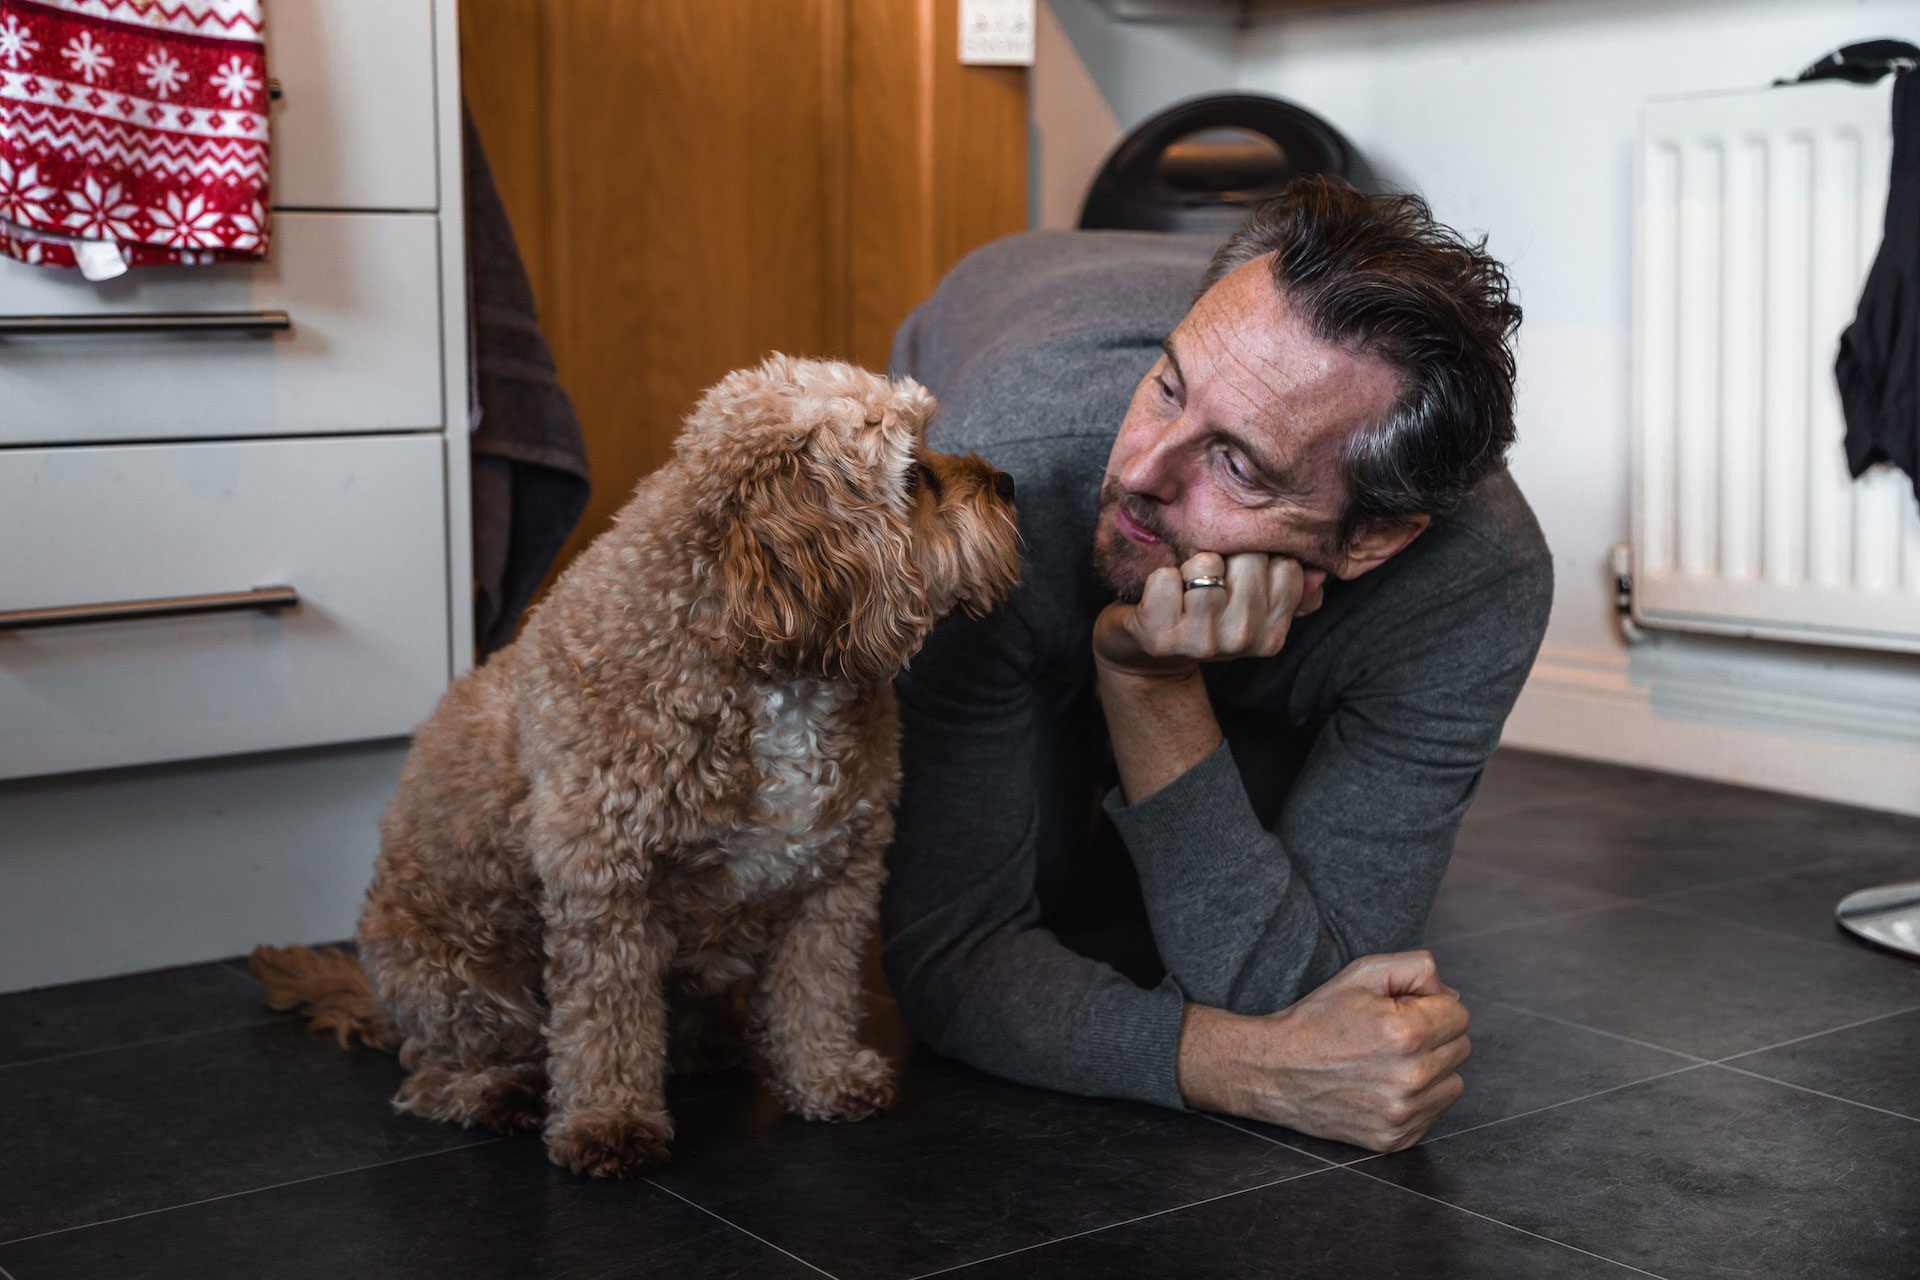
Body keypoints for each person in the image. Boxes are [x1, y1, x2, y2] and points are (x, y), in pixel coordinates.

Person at [879, 177, 1553, 1154]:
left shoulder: (1478, 584)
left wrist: (1149, 688)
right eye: (1168, 386)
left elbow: (1308, 990)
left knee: (1164, 919)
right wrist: (1238, 1065)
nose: (1145, 470)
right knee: (1052, 872)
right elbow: (951, 948)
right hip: (1003, 311)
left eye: (1238, 463)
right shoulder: (998, 496)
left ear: (1370, 541)